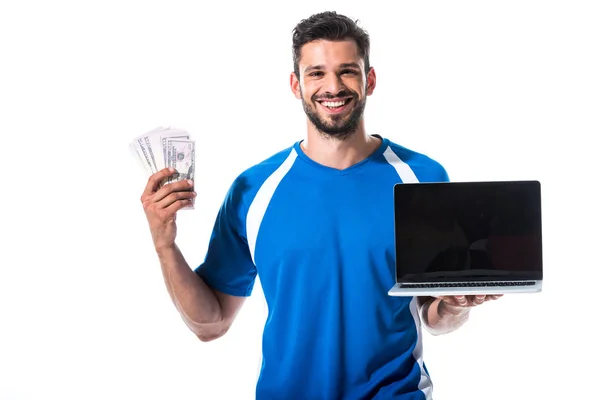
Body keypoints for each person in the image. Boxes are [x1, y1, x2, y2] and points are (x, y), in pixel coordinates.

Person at [140, 11, 502, 400]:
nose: (333, 86)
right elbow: (209, 325)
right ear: (296, 84)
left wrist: (456, 306)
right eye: (316, 73)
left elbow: (435, 317)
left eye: (347, 71)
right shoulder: (254, 189)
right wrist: (164, 243)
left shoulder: (421, 178)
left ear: (370, 80)